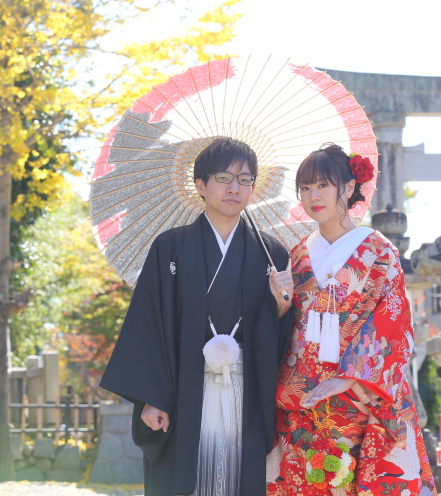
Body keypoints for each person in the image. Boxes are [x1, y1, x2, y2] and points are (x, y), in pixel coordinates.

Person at [99, 137, 295, 496]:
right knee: (188, 478)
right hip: (184, 387)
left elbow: (283, 342)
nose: (235, 188)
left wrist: (281, 309)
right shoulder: (170, 246)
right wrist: (151, 397)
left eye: (245, 179)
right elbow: (149, 324)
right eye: (223, 178)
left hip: (246, 389)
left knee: (241, 479)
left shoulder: (273, 254)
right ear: (201, 185)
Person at [266, 144, 436, 496]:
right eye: (304, 187)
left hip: (360, 395)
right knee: (302, 481)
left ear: (347, 187)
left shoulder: (379, 251)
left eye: (322, 185)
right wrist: (280, 306)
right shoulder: (296, 254)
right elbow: (286, 327)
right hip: (303, 397)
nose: (313, 196)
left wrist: (348, 378)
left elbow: (393, 320)